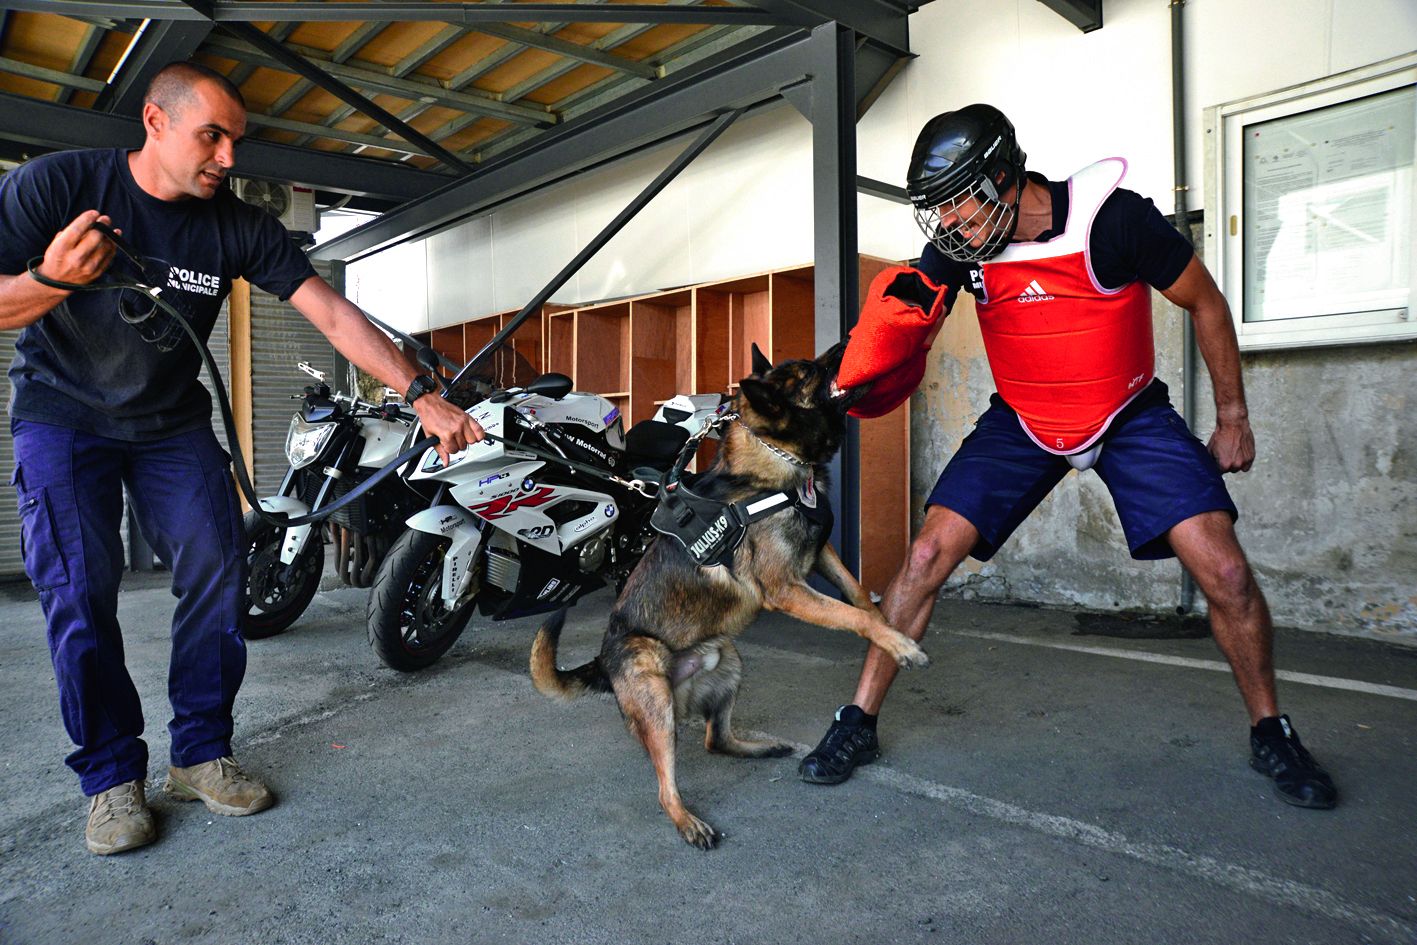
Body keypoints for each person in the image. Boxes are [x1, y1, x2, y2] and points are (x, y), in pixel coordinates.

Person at [0, 61, 485, 855]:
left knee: (222, 572)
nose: (229, 157)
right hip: (63, 417)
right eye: (212, 136)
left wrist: (419, 391)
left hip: (170, 423)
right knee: (79, 594)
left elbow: (328, 309)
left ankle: (198, 751)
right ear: (156, 122)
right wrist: (52, 276)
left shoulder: (238, 226)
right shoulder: (57, 187)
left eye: (237, 140)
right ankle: (112, 779)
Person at [799, 104, 1337, 810]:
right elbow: (898, 316)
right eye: (938, 214)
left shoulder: (1114, 220)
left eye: (955, 205)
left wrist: (1232, 416)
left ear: (1000, 179)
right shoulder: (966, 248)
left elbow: (1205, 302)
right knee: (926, 557)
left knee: (1226, 570)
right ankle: (858, 719)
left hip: (1126, 411)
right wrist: (834, 388)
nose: (947, 227)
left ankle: (1271, 729)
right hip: (1023, 419)